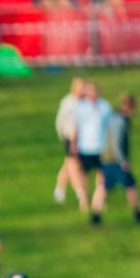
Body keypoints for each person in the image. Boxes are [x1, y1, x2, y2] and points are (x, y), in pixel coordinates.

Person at [101, 93, 140, 225]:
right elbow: (116, 143)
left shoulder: (115, 117)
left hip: (107, 159)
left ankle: (95, 217)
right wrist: (123, 161)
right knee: (131, 186)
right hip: (115, 160)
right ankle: (139, 215)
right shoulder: (120, 120)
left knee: (105, 187)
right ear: (129, 107)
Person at [71, 79, 111, 222]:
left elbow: (109, 127)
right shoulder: (80, 107)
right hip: (85, 146)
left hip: (101, 146)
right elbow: (76, 127)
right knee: (85, 175)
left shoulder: (105, 106)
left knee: (101, 175)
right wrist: (74, 144)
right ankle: (84, 199)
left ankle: (99, 199)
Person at [53, 77, 88, 210]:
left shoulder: (84, 102)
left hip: (82, 137)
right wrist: (64, 135)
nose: (83, 89)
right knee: (73, 164)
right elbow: (60, 121)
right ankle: (80, 192)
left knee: (69, 163)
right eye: (81, 86)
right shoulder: (68, 102)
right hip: (69, 136)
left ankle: (59, 190)